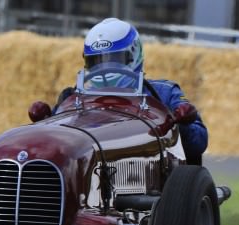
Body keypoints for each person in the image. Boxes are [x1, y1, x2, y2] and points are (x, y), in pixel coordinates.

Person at [56, 18, 208, 165]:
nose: (104, 69)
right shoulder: (73, 98)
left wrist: (180, 126)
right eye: (96, 62)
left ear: (134, 54)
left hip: (151, 177)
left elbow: (199, 141)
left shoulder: (164, 92)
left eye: (115, 59)